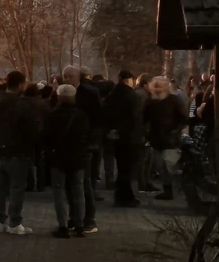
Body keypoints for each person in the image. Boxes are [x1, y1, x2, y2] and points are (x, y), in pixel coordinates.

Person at [0, 71, 38, 234]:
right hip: (17, 152)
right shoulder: (23, 104)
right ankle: (14, 222)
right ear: (20, 85)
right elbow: (30, 129)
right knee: (16, 188)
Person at [43, 84, 90, 238]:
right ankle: (79, 224)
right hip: (78, 157)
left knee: (59, 192)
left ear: (58, 97)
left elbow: (46, 137)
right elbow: (86, 136)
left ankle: (63, 225)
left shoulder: (52, 115)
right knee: (78, 191)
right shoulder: (81, 115)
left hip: (58, 158)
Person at [61, 66, 103, 232]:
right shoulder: (62, 92)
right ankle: (75, 217)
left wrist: (93, 142)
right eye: (65, 76)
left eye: (70, 76)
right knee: (71, 184)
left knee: (84, 183)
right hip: (68, 145)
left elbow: (98, 119)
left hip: (84, 144)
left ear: (78, 77)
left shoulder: (88, 93)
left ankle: (89, 219)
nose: (67, 79)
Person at [144, 76, 189, 201]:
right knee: (161, 166)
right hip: (157, 139)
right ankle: (168, 191)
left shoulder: (173, 100)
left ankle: (179, 189)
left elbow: (183, 118)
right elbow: (144, 118)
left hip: (170, 139)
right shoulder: (150, 101)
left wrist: (175, 132)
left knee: (170, 166)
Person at [104, 71, 144, 207]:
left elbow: (106, 114)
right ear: (129, 80)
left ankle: (120, 195)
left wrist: (112, 130)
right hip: (130, 137)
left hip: (115, 136)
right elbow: (135, 118)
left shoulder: (112, 96)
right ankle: (125, 197)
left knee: (121, 167)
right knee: (127, 169)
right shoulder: (133, 96)